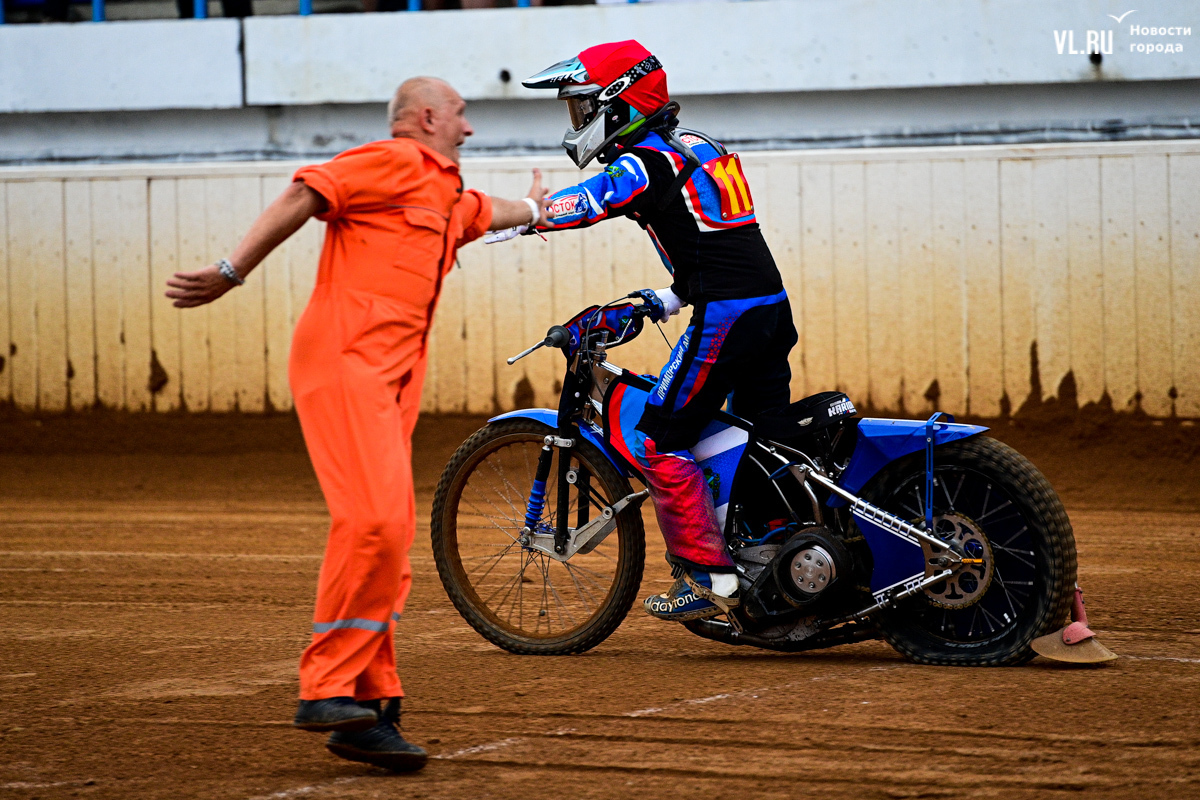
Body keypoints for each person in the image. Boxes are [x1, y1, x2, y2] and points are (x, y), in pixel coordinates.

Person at [164, 76, 548, 773]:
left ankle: (369, 707)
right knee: (373, 522)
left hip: (390, 379)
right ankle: (327, 686)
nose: (469, 129)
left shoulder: (443, 192)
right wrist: (231, 269)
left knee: (390, 533)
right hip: (346, 364)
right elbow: (304, 193)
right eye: (461, 115)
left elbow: (491, 211)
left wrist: (535, 206)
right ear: (427, 117)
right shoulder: (394, 161)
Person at [517, 41, 798, 623]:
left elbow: (592, 200)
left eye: (582, 106)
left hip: (727, 315)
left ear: (617, 102)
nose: (577, 121)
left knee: (658, 438)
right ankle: (782, 554)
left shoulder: (644, 162)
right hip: (768, 307)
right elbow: (717, 236)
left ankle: (709, 577)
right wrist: (669, 297)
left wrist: (518, 216)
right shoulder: (695, 145)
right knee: (764, 442)